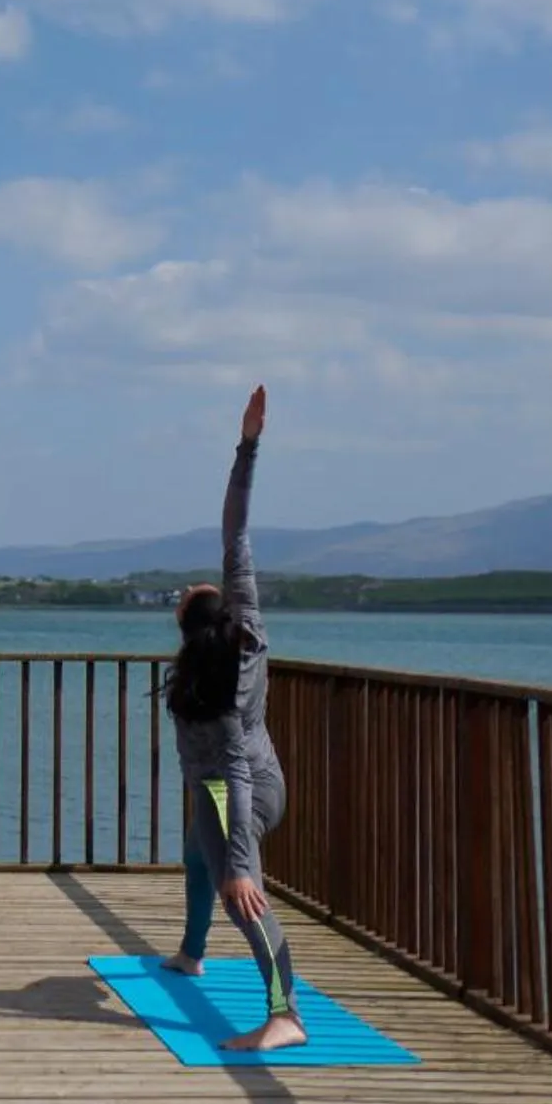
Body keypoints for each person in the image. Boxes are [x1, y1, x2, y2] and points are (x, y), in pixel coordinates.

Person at [161, 383, 306, 1051]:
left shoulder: (204, 702)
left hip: (237, 794)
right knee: (198, 848)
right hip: (253, 780)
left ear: (185, 629)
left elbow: (230, 784)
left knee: (240, 898)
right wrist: (247, 446)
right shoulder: (246, 627)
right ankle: (192, 953)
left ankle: (286, 1015)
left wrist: (242, 864)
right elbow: (236, 528)